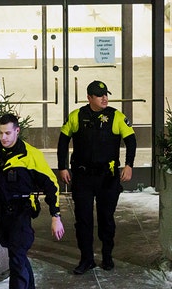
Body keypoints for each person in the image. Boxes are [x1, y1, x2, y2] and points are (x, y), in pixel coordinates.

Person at [0, 113, 65, 289]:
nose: (3, 137)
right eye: (0, 133)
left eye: (8, 133)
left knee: (17, 258)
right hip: (0, 214)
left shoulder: (30, 155)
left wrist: (55, 215)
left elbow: (51, 185)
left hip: (21, 213)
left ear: (17, 131)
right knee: (16, 255)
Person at [56, 80, 136, 274]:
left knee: (106, 218)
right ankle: (87, 259)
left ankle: (107, 257)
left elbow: (131, 140)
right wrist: (62, 167)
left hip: (107, 178)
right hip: (83, 177)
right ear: (89, 97)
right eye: (100, 95)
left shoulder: (116, 116)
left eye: (106, 94)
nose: (104, 98)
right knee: (83, 220)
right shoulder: (77, 116)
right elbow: (62, 141)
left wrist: (129, 165)